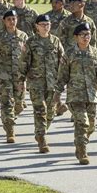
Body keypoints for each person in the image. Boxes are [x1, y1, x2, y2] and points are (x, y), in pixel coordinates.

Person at [53, 22, 97, 165]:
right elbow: (62, 76)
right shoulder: (69, 54)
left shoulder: (95, 53)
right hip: (75, 95)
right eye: (83, 35)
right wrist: (57, 93)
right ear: (76, 37)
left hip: (92, 95)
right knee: (82, 123)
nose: (86, 37)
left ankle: (80, 142)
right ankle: (82, 151)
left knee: (91, 126)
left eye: (88, 34)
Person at [19, 14, 64, 153]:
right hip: (36, 83)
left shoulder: (55, 41)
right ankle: (42, 139)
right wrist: (21, 80)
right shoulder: (31, 42)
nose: (45, 27)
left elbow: (62, 62)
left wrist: (63, 81)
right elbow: (23, 62)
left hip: (52, 83)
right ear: (37, 26)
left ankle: (40, 132)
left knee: (50, 112)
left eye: (48, 24)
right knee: (40, 110)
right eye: (43, 24)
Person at [0, 10, 28, 143]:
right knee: (6, 103)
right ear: (4, 21)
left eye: (14, 19)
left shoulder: (23, 36)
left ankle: (8, 118)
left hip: (19, 75)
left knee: (19, 104)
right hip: (2, 74)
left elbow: (27, 57)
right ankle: (10, 130)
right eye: (9, 19)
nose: (11, 21)